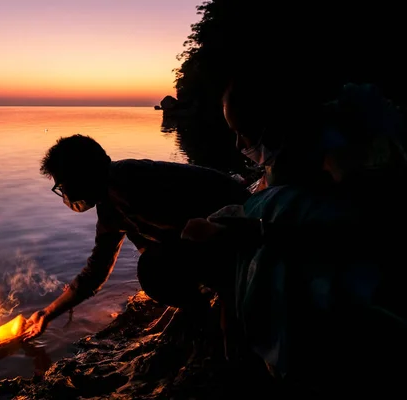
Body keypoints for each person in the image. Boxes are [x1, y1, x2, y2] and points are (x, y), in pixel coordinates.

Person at [182, 80, 407, 396]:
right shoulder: (289, 151)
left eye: (243, 131)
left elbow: (360, 233)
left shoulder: (340, 153)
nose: (237, 145)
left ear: (272, 123)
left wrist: (254, 230)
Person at [22, 134, 250, 341]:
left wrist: (227, 310)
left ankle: (206, 313)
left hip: (242, 223)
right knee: (153, 257)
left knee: (152, 270)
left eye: (61, 185)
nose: (64, 194)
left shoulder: (130, 185)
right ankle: (199, 304)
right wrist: (47, 313)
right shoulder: (110, 202)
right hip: (219, 230)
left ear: (80, 177)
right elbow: (96, 272)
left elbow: (194, 230)